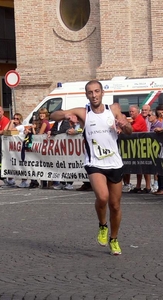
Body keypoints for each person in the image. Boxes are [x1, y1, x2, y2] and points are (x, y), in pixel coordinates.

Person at [50, 80, 132, 256]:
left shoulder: (114, 109)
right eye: (90, 92)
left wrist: (124, 125)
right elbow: (53, 115)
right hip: (94, 163)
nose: (94, 95)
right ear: (86, 95)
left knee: (115, 205)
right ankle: (103, 225)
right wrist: (66, 116)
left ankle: (114, 239)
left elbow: (129, 131)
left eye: (96, 91)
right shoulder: (83, 112)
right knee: (102, 197)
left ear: (102, 93)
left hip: (115, 163)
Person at [50, 113, 82, 190]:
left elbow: (78, 131)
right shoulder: (56, 123)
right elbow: (54, 131)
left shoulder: (77, 124)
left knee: (71, 165)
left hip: (73, 148)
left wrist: (75, 132)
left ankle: (69, 183)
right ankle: (62, 182)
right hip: (63, 148)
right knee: (63, 165)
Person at [125, 105, 148, 193]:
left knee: (144, 167)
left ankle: (147, 186)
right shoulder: (135, 120)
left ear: (137, 112)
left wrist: (124, 126)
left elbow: (132, 129)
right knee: (138, 167)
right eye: (130, 111)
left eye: (132, 111)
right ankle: (138, 186)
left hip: (142, 145)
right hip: (137, 146)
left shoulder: (139, 119)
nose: (131, 113)